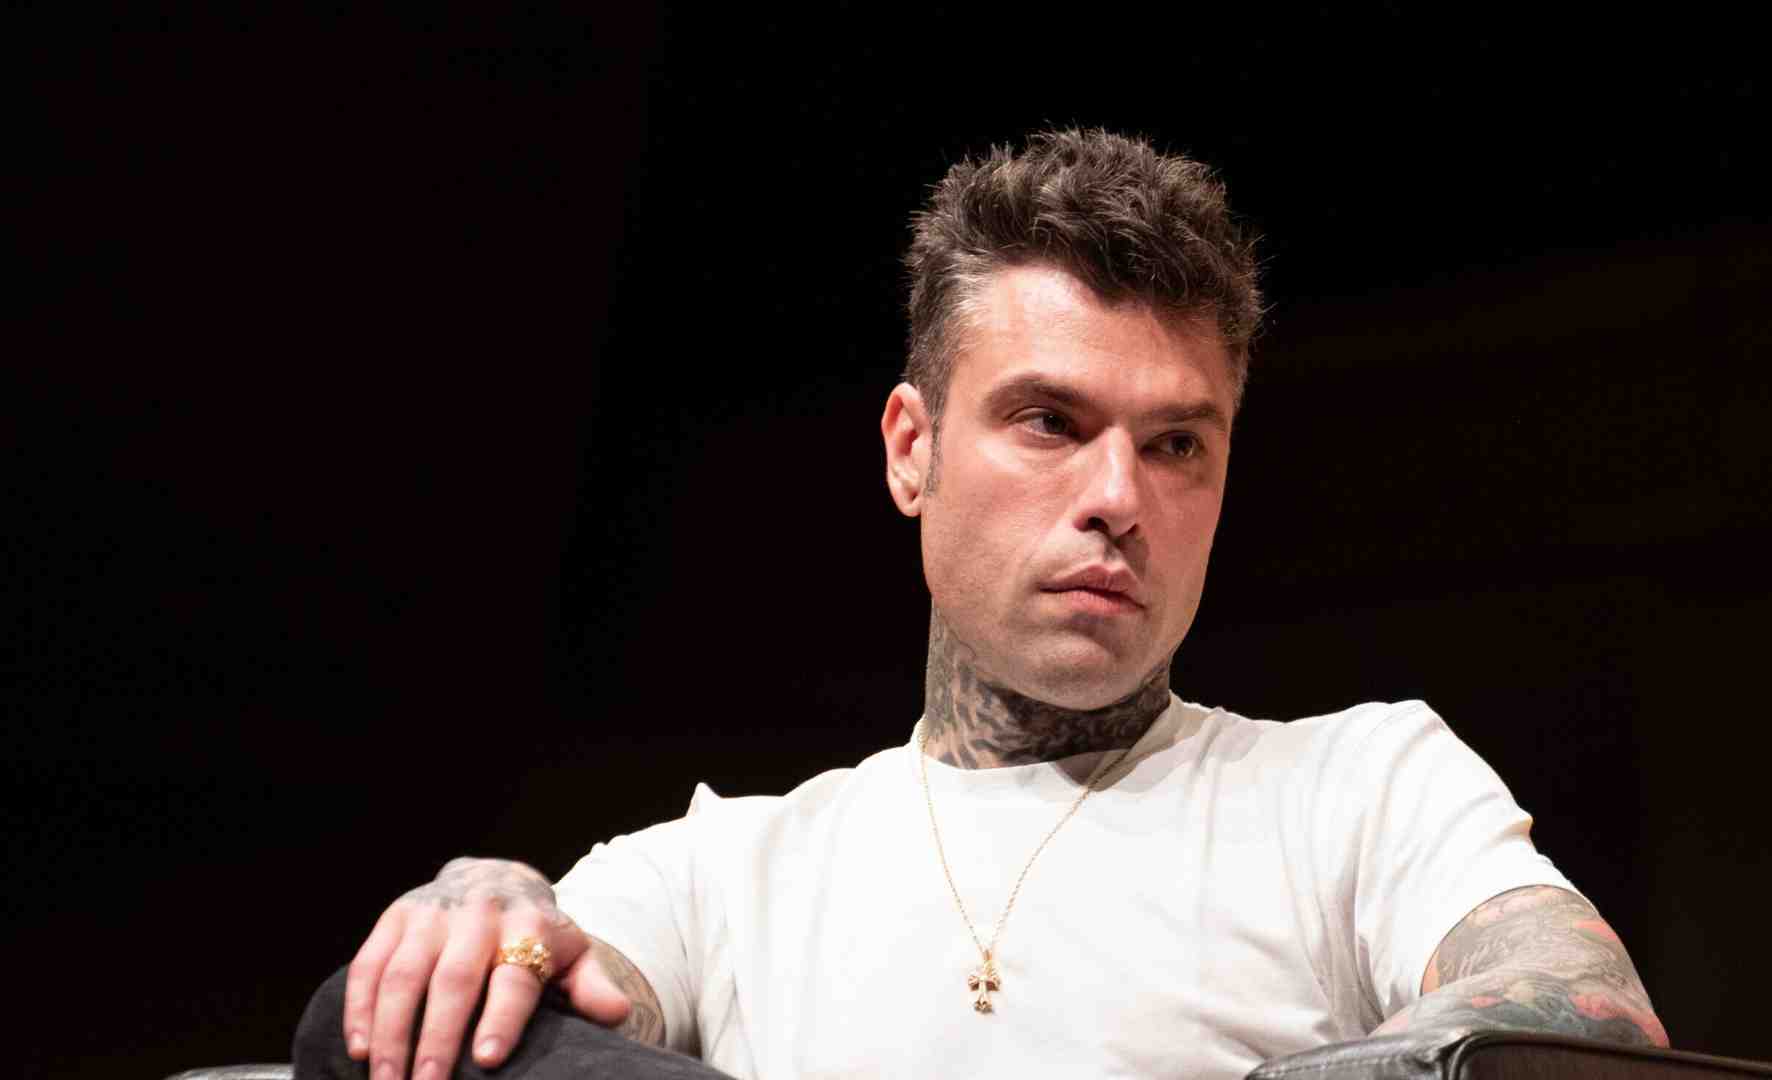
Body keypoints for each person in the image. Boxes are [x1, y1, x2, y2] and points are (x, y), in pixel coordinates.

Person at [296, 128, 1668, 1080]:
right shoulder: (723, 871)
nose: (1118, 496)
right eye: (1050, 422)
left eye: (1176, 444)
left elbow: (1584, 1018)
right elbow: (454, 1025)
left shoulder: (1360, 791)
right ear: (913, 450)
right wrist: (486, 902)